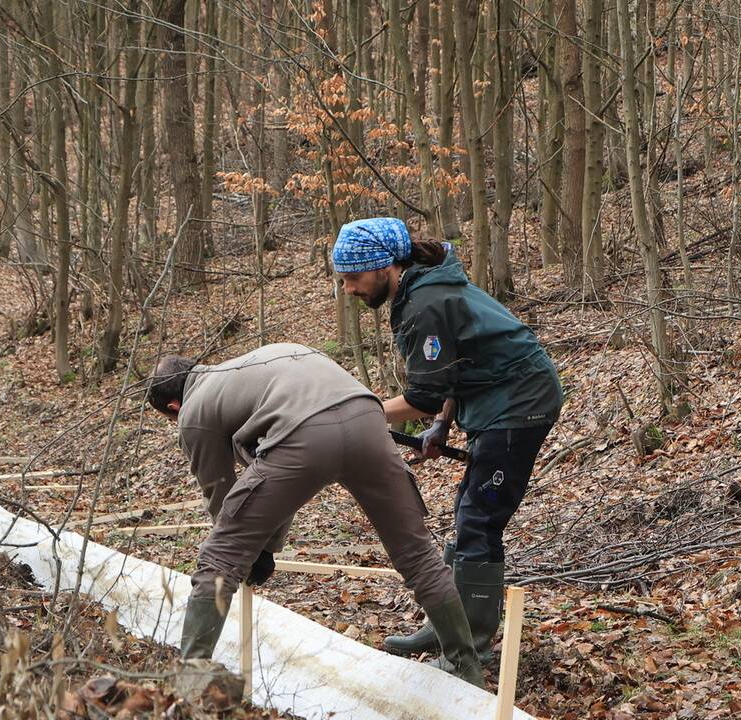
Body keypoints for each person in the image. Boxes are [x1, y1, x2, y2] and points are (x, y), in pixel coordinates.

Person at [147, 342, 485, 686]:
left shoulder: (193, 412)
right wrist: (265, 547)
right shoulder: (250, 366)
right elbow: (266, 472)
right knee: (418, 557)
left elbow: (220, 495)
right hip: (368, 417)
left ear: (174, 407)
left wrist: (251, 551)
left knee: (219, 557)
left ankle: (189, 681)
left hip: (306, 434)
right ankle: (466, 668)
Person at [332, 217, 562, 662]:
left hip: (520, 402)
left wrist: (362, 411)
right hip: (497, 400)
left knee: (480, 518)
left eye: (353, 277)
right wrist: (442, 423)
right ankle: (447, 626)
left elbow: (423, 394)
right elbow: (458, 367)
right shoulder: (421, 292)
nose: (348, 289)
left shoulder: (426, 303)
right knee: (468, 511)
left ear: (384, 267)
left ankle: (467, 647)